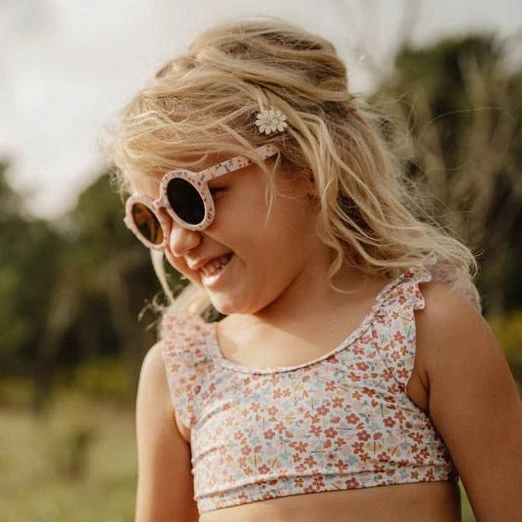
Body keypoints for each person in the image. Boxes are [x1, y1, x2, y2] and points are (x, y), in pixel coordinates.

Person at [110, 18, 522, 522]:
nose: (178, 240)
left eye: (191, 198)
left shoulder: (424, 329)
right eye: (152, 218)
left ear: (305, 164)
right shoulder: (180, 371)